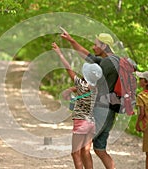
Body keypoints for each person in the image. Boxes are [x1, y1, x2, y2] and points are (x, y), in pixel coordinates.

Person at [61, 31, 119, 169]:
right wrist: (71, 40)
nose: (93, 47)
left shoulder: (107, 64)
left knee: (83, 150)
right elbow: (87, 55)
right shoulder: (112, 60)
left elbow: (91, 82)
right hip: (110, 111)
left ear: (104, 46)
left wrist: (73, 88)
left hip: (100, 110)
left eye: (96, 44)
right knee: (99, 149)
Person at [52, 42, 102, 169]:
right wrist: (71, 90)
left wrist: (59, 53)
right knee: (85, 152)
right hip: (91, 123)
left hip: (81, 122)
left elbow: (68, 68)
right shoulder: (95, 88)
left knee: (75, 153)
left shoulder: (82, 85)